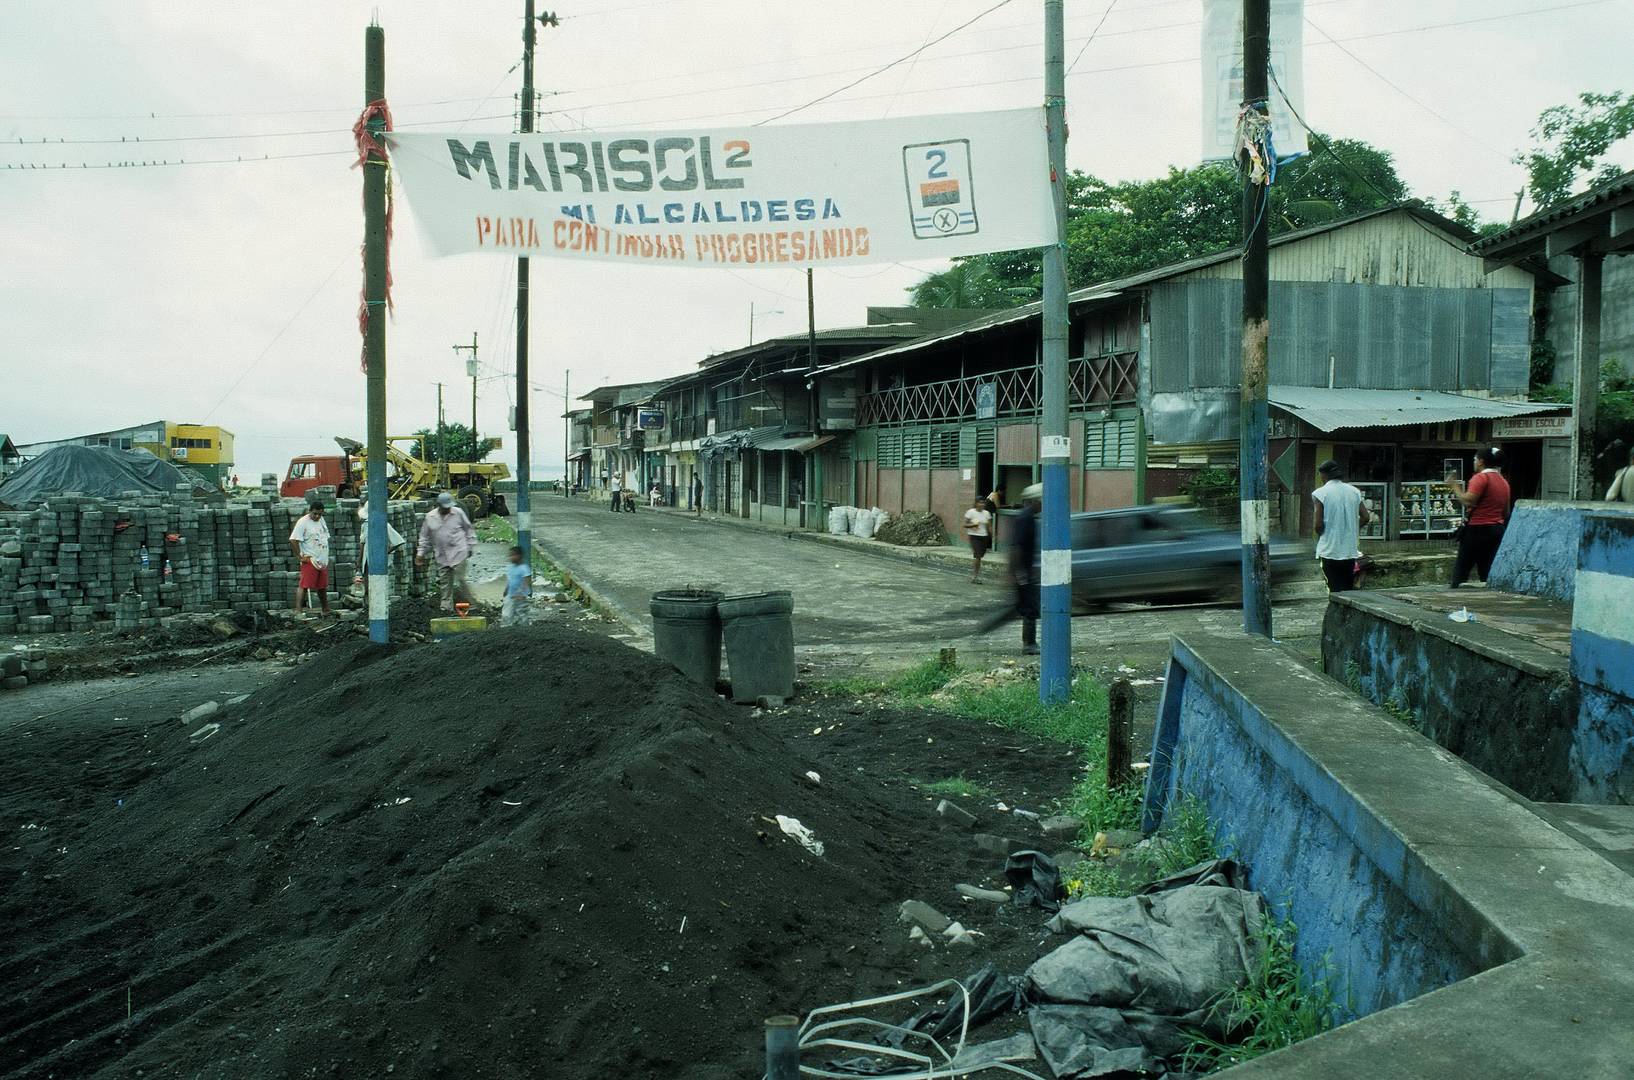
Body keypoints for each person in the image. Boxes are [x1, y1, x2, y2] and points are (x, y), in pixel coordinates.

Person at [1446, 447, 1512, 588]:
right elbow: (1505, 512)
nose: (1474, 462)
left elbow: (1468, 501)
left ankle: (1454, 596)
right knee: (1487, 569)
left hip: (1477, 530)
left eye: (1475, 459)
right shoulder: (1504, 482)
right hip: (1497, 530)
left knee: (1462, 569)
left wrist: (1454, 486)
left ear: (1481, 462)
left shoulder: (1481, 478)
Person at [1311, 460, 1372, 593]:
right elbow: (1366, 517)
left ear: (1324, 475)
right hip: (1349, 550)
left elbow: (1318, 525)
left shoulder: (1320, 493)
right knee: (1347, 587)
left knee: (1333, 587)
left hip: (1330, 550)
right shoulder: (1354, 491)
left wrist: (1324, 533)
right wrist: (1352, 529)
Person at [416, 491, 478, 613]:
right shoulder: (430, 517)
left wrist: (470, 546)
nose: (448, 509)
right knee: (445, 583)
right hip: (442, 555)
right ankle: (446, 608)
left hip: (459, 552)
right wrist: (420, 554)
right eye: (445, 507)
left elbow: (468, 529)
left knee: (461, 579)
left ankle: (472, 604)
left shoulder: (458, 513)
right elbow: (424, 537)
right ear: (439, 505)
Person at [1010, 483, 1042, 654]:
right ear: (1034, 501)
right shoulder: (1026, 519)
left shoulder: (1028, 517)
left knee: (1028, 606)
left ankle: (1029, 642)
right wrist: (1020, 573)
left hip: (1026, 570)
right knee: (1030, 607)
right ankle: (1029, 644)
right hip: (1023, 571)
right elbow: (1018, 546)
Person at [287, 501, 332, 618]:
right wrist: (299, 557)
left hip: (321, 560)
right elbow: (293, 540)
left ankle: (325, 609)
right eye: (315, 514)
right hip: (309, 559)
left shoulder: (321, 521)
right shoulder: (303, 522)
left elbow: (325, 537)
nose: (317, 516)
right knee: (304, 585)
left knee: (322, 586)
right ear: (310, 511)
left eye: (319, 514)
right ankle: (298, 610)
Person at [353, 504, 407, 591]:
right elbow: (362, 543)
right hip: (367, 560)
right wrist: (359, 560)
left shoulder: (384, 525)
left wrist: (385, 553)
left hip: (379, 561)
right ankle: (368, 601)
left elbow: (398, 541)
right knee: (367, 585)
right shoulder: (365, 525)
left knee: (378, 587)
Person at [962, 494, 994, 583]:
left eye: (983, 503)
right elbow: (965, 524)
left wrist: (992, 535)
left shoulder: (986, 513)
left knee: (980, 556)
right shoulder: (970, 512)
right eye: (980, 503)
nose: (982, 504)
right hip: (974, 536)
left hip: (984, 537)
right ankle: (975, 576)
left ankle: (976, 574)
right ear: (976, 503)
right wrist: (973, 525)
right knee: (978, 556)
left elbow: (989, 525)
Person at [502, 545, 532, 627]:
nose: (511, 557)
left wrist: (522, 593)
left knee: (521, 612)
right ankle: (506, 627)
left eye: (513, 555)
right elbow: (510, 580)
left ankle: (524, 628)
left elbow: (527, 581)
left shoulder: (524, 568)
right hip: (511, 594)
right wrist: (506, 590)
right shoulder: (510, 567)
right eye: (510, 555)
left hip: (520, 596)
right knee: (506, 613)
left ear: (520, 556)